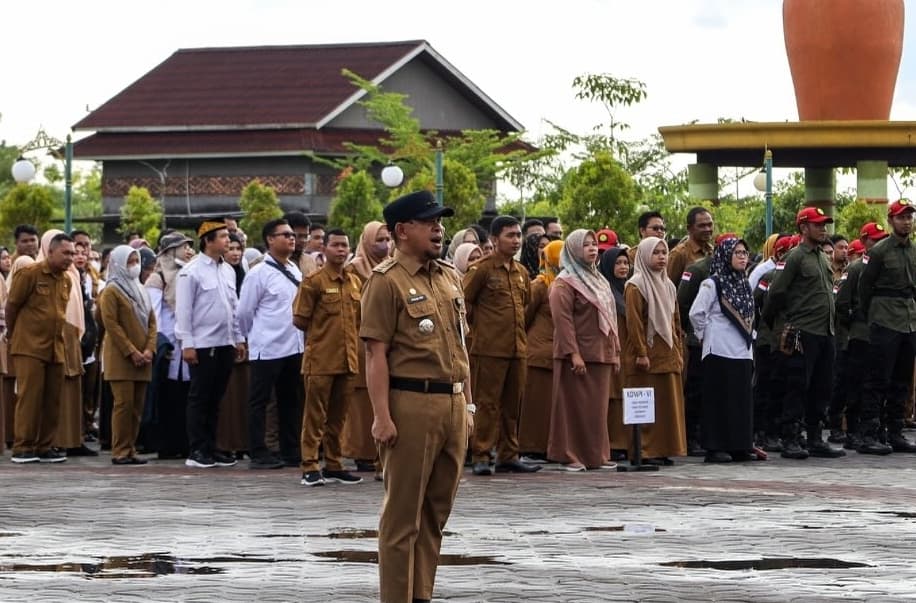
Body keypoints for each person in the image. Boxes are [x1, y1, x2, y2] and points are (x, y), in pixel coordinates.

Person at [359, 190, 473, 603]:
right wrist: (381, 416)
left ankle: (420, 594)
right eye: (429, 223)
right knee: (402, 518)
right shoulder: (385, 281)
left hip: (453, 403)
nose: (438, 229)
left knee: (435, 514)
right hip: (411, 404)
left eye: (440, 222)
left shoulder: (448, 276)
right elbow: (375, 354)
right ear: (402, 231)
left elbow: (462, 347)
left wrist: (469, 405)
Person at [761, 207, 845, 460]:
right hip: (802, 331)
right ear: (803, 227)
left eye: (824, 225)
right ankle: (790, 438)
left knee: (822, 387)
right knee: (797, 386)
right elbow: (776, 293)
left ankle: (815, 438)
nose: (823, 229)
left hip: (825, 331)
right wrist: (780, 324)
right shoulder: (794, 256)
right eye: (817, 225)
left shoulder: (822, 257)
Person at [463, 215, 540, 475]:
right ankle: (481, 454)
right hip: (489, 349)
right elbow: (464, 303)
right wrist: (479, 330)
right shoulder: (482, 269)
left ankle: (509, 454)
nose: (516, 240)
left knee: (513, 404)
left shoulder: (521, 272)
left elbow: (525, 304)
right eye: (510, 235)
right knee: (487, 404)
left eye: (518, 235)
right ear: (494, 239)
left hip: (517, 348)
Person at [293, 228, 363, 486]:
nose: (341, 250)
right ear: (324, 249)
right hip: (321, 360)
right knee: (315, 416)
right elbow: (300, 319)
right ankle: (310, 465)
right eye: (335, 245)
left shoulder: (354, 282)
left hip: (348, 359)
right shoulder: (314, 281)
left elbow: (359, 320)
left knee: (338, 417)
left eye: (345, 245)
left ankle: (334, 463)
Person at [547, 230, 620, 470]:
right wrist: (573, 353)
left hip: (600, 352)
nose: (591, 249)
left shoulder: (598, 280)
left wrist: (615, 351)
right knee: (572, 408)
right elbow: (562, 321)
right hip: (577, 355)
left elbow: (610, 317)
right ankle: (569, 455)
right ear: (573, 250)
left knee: (596, 410)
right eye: (585, 245)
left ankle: (596, 456)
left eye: (593, 244)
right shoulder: (564, 283)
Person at [175, 221, 245, 469]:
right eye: (223, 236)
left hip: (225, 342)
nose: (228, 240)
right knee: (200, 397)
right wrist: (187, 344)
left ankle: (212, 447)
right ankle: (197, 449)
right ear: (207, 240)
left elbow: (234, 306)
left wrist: (238, 338)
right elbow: (184, 310)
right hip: (202, 344)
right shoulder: (191, 271)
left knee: (217, 398)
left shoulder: (228, 270)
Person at [238, 219, 304, 470]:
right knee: (260, 401)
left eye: (292, 234)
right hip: (267, 347)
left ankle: (290, 450)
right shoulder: (258, 273)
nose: (291, 238)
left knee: (290, 400)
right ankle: (258, 451)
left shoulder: (294, 269)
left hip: (294, 345)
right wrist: (252, 337)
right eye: (285, 234)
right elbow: (244, 312)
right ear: (270, 239)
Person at [5, 232, 75, 463]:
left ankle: (45, 446)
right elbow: (12, 306)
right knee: (30, 398)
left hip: (55, 347)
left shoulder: (66, 280)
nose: (70, 258)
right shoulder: (30, 273)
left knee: (52, 400)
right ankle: (23, 447)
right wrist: (14, 335)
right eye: (65, 253)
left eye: (72, 253)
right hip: (29, 346)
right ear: (50, 252)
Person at [689, 238, 756, 463]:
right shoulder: (712, 283)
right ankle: (715, 447)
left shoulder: (744, 282)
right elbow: (696, 313)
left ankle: (739, 445)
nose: (742, 257)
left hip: (742, 350)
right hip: (718, 348)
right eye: (737, 253)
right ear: (725, 255)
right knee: (719, 398)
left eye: (745, 252)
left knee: (740, 398)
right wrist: (704, 334)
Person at [857, 200, 916, 454]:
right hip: (884, 318)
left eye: (910, 217)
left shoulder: (914, 251)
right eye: (901, 217)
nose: (907, 222)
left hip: (909, 319)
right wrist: (872, 316)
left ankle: (895, 431)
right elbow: (864, 287)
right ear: (891, 220)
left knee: (902, 380)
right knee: (877, 378)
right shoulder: (879, 251)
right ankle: (869, 433)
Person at [622, 236, 686, 465]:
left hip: (667, 353)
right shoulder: (636, 285)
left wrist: (678, 351)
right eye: (655, 253)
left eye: (664, 253)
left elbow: (675, 322)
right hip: (646, 355)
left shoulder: (668, 285)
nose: (661, 257)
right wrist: (641, 353)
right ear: (644, 255)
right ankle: (644, 452)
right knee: (646, 405)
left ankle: (663, 449)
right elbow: (634, 323)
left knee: (666, 404)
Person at [98, 246, 157, 465]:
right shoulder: (111, 291)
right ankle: (120, 451)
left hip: (143, 358)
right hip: (121, 358)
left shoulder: (140, 289)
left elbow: (152, 322)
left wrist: (149, 349)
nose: (135, 265)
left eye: (136, 260)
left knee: (136, 407)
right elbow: (112, 325)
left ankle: (130, 448)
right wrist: (131, 351)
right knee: (124, 405)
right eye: (130, 261)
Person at [831, 222, 888, 450]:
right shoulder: (855, 269)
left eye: (883, 239)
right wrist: (854, 324)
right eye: (875, 239)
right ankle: (852, 430)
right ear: (864, 242)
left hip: (884, 333)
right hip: (860, 335)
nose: (880, 243)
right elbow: (842, 304)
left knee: (879, 383)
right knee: (855, 384)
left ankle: (875, 428)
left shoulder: (885, 266)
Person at [342, 221, 391, 474]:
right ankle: (362, 452)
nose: (385, 245)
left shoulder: (392, 268)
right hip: (361, 341)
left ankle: (383, 452)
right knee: (361, 400)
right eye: (379, 240)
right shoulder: (353, 269)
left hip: (388, 341)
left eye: (387, 239)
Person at [146, 232, 194, 459]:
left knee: (186, 394)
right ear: (170, 251)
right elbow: (154, 316)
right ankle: (167, 444)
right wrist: (161, 343)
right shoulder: (157, 279)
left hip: (188, 344)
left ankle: (185, 443)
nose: (188, 251)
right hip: (169, 347)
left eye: (189, 246)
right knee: (168, 395)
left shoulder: (189, 273)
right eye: (183, 247)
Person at [518, 239, 563, 461]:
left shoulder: (568, 284)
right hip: (539, 353)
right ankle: (531, 447)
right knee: (537, 404)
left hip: (560, 352)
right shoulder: (540, 285)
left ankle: (551, 447)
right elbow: (523, 317)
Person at [215, 232, 249, 456]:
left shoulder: (246, 276)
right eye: (230, 249)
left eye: (239, 249)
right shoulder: (220, 276)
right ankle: (224, 444)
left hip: (244, 341)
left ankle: (242, 443)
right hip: (223, 342)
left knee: (242, 396)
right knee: (226, 397)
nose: (235, 253)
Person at [598, 246, 631, 460]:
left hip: (628, 350)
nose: (623, 267)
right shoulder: (604, 291)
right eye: (618, 263)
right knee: (612, 396)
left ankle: (625, 442)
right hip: (611, 350)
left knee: (624, 395)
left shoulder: (629, 289)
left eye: (625, 263)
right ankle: (612, 444)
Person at [667, 207, 714, 284]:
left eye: (710, 224)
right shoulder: (679, 254)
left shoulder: (712, 251)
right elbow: (668, 286)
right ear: (689, 228)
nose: (707, 229)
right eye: (702, 226)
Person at [283, 211, 319, 278]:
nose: (303, 240)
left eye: (306, 236)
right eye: (299, 236)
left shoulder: (310, 261)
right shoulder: (267, 262)